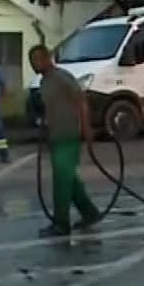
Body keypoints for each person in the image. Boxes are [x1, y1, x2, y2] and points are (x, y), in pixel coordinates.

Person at [29, 44, 103, 238]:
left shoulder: (63, 78)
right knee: (70, 180)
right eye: (31, 61)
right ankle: (90, 213)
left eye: (37, 59)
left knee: (61, 181)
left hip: (68, 135)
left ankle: (61, 223)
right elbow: (50, 108)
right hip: (55, 136)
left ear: (47, 58)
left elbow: (81, 102)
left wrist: (86, 129)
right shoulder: (44, 82)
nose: (34, 64)